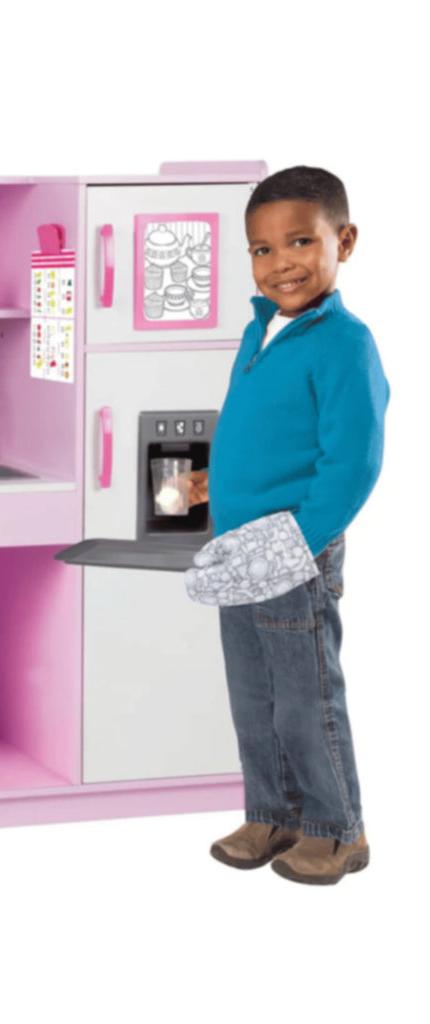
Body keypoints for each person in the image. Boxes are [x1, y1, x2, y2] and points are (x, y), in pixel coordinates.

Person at [184, 166, 389, 885]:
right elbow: (259, 431)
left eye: (300, 242)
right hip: (239, 546)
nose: (281, 263)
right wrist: (214, 484)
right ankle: (272, 813)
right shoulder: (260, 330)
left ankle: (337, 830)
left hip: (293, 550)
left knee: (306, 698)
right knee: (253, 695)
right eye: (262, 249)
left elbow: (353, 461)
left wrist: (301, 543)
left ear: (345, 241)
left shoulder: (343, 343)